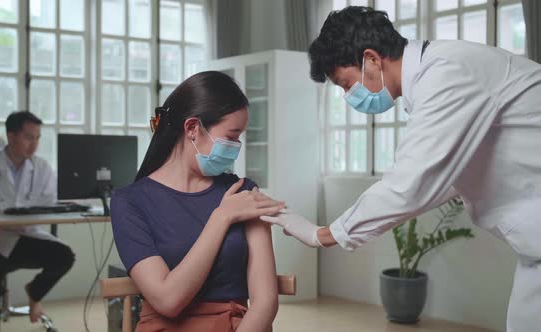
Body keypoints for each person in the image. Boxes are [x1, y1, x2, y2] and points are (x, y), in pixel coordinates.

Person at [259, 6, 541, 332]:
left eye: (345, 84)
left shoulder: (447, 74)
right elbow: (443, 175)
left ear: (372, 59)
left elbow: (410, 184)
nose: (349, 96)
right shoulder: (433, 81)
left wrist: (321, 234)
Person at [110, 71, 285, 332]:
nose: (237, 146)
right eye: (231, 136)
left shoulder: (243, 192)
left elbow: (265, 302)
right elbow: (168, 300)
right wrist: (221, 217)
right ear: (193, 128)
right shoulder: (129, 202)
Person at [0, 111, 75, 332]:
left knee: (64, 256)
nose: (34, 144)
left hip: (26, 235)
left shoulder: (42, 168)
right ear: (11, 136)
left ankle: (34, 293)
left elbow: (49, 203)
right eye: (29, 137)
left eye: (37, 138)